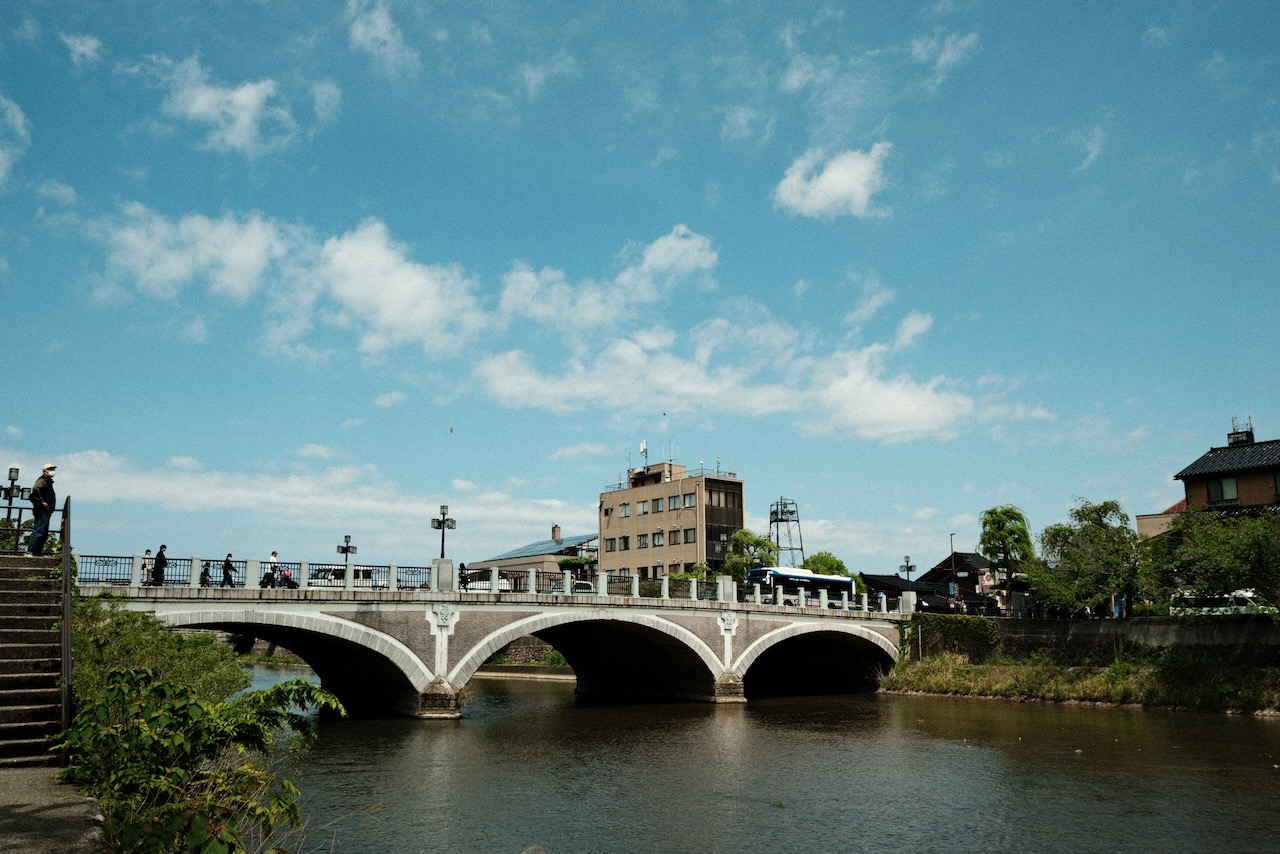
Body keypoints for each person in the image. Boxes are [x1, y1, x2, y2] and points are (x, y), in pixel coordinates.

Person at [24, 464, 56, 557]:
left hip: (46, 510)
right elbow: (35, 488)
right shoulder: (42, 480)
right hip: (42, 510)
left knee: (44, 532)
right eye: (50, 469)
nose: (52, 471)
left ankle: (37, 551)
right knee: (39, 530)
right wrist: (41, 501)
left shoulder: (47, 481)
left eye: (53, 469)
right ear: (45, 471)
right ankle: (30, 551)